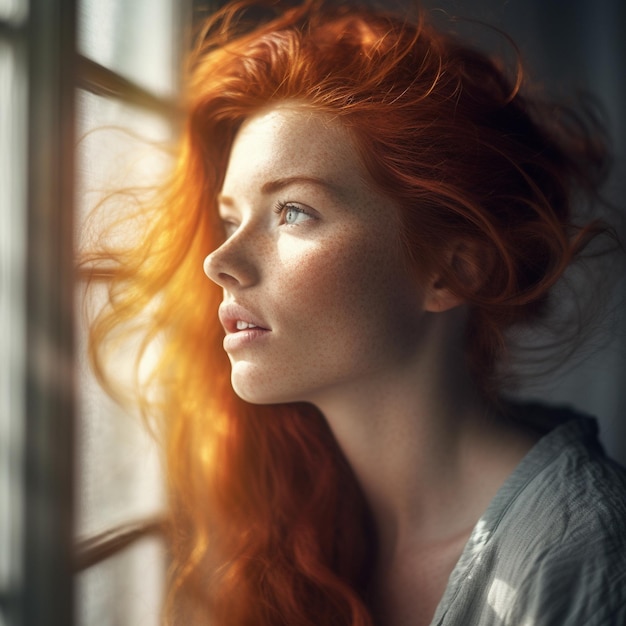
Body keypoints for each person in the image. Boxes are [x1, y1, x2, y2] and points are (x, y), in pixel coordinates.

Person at [84, 0, 626, 624]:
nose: (219, 261)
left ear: (451, 271)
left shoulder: (578, 556)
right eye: (230, 219)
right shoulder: (287, 520)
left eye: (292, 211)